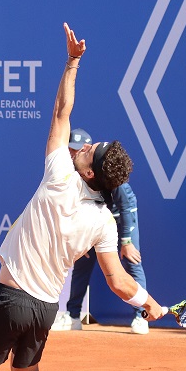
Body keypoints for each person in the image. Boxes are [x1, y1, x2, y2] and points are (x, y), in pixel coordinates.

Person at [0, 23, 165, 371]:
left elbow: (60, 111)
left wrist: (73, 62)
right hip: (43, 309)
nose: (85, 145)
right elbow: (117, 280)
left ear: (90, 172)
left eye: (92, 150)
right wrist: (148, 302)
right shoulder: (103, 221)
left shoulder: (60, 176)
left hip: (11, 299)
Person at [52, 128, 149, 334]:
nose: (72, 153)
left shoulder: (103, 169)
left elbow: (126, 206)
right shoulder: (70, 172)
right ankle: (73, 316)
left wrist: (126, 241)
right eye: (69, 149)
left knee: (132, 262)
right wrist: (81, 238)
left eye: (76, 149)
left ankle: (141, 315)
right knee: (81, 265)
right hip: (92, 221)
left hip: (121, 218)